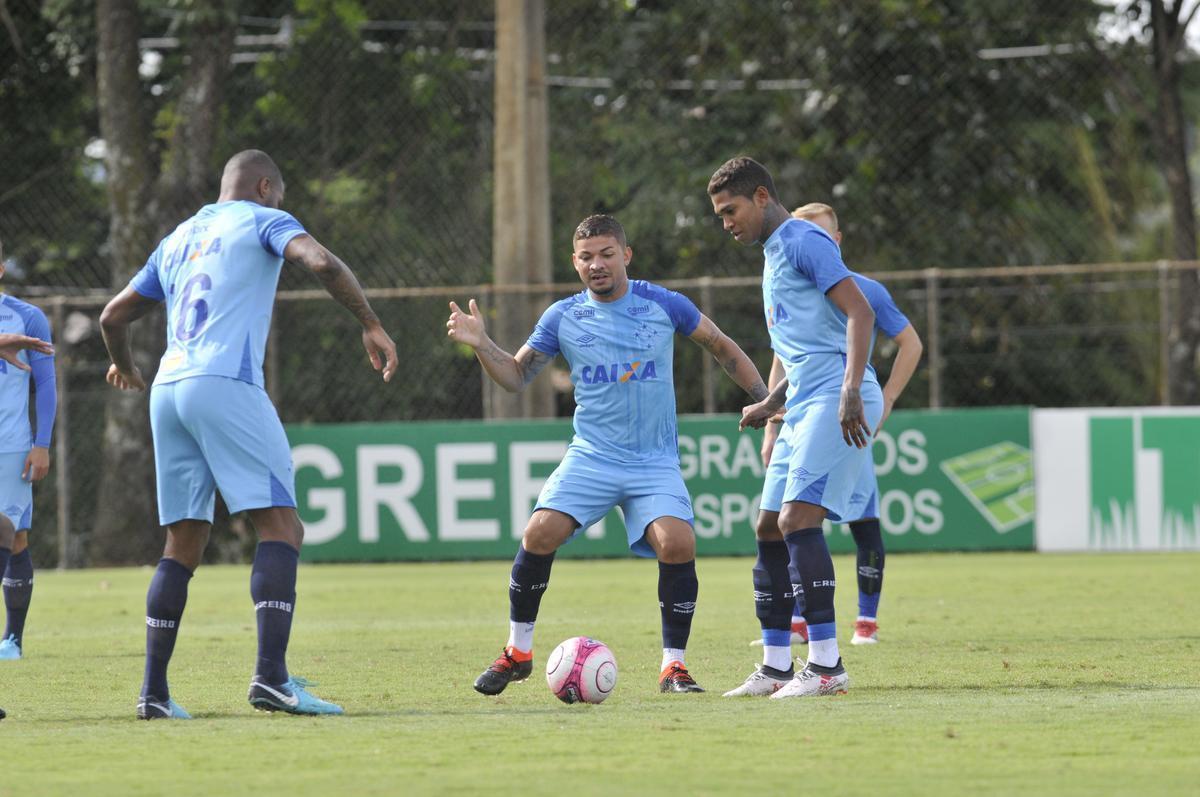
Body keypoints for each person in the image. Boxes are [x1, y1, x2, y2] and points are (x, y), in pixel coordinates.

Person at [100, 149, 397, 720]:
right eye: (279, 197)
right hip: (225, 381)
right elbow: (321, 263)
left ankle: (153, 694)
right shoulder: (265, 220)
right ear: (265, 187)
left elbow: (113, 316)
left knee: (182, 544)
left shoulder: (178, 237)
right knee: (282, 525)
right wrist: (370, 322)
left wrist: (128, 367)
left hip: (168, 387)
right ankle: (271, 679)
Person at [448, 213, 769, 696]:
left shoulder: (664, 304)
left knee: (678, 544)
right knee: (539, 533)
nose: (596, 264)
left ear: (626, 255)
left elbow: (722, 347)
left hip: (652, 461)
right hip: (592, 457)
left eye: (606, 254)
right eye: (586, 257)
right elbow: (515, 377)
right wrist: (481, 343)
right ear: (575, 263)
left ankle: (673, 668)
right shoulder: (562, 316)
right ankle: (517, 653)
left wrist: (764, 396)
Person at [708, 157, 883, 699]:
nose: (726, 222)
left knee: (797, 519)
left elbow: (860, 314)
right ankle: (777, 664)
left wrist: (851, 389)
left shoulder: (804, 240)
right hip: (804, 401)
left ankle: (827, 666)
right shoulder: (772, 252)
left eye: (730, 210)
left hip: (838, 398)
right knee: (767, 525)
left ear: (761, 196)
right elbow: (804, 349)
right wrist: (770, 402)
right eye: (718, 214)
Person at [749, 203, 923, 652]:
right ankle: (784, 647)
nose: (809, 241)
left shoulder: (861, 291)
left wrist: (882, 399)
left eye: (820, 235)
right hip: (802, 407)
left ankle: (858, 627)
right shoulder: (787, 274)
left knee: (845, 519)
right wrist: (771, 412)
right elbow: (789, 357)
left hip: (840, 408)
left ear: (835, 240)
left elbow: (908, 342)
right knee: (776, 523)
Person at [0, 236, 58, 662]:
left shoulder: (27, 317)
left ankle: (12, 640)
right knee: (10, 536)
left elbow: (47, 383)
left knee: (11, 533)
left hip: (10, 444)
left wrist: (41, 444)